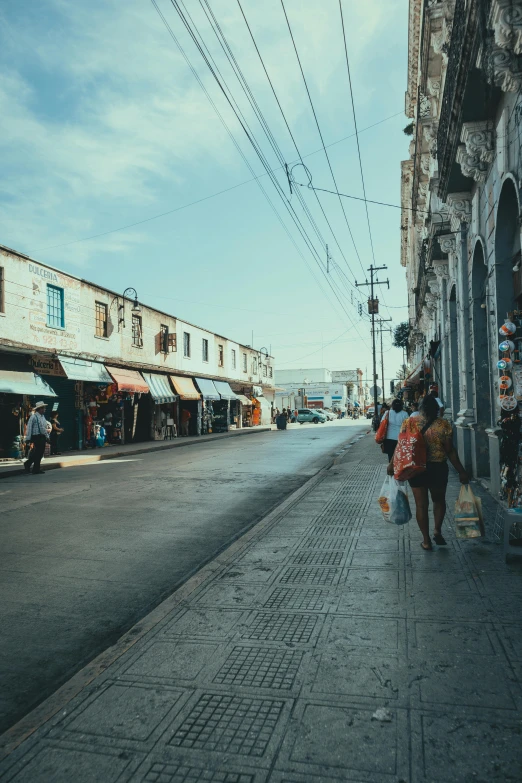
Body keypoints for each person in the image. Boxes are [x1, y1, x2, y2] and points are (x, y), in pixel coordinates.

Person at [388, 394, 469, 551]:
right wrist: (461, 471)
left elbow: (401, 445)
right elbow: (450, 451)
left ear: (420, 408)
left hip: (416, 468)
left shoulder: (409, 422)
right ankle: (437, 530)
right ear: (436, 409)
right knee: (438, 501)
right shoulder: (443, 425)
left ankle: (426, 541)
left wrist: (392, 464)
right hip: (438, 468)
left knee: (421, 505)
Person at [24, 401, 50, 475]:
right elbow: (29, 428)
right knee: (37, 453)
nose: (44, 409)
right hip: (36, 437)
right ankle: (29, 464)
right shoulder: (33, 417)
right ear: (39, 409)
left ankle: (36, 469)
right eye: (43, 408)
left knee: (40, 453)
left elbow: (44, 428)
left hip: (42, 437)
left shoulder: (42, 417)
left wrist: (46, 437)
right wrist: (28, 439)